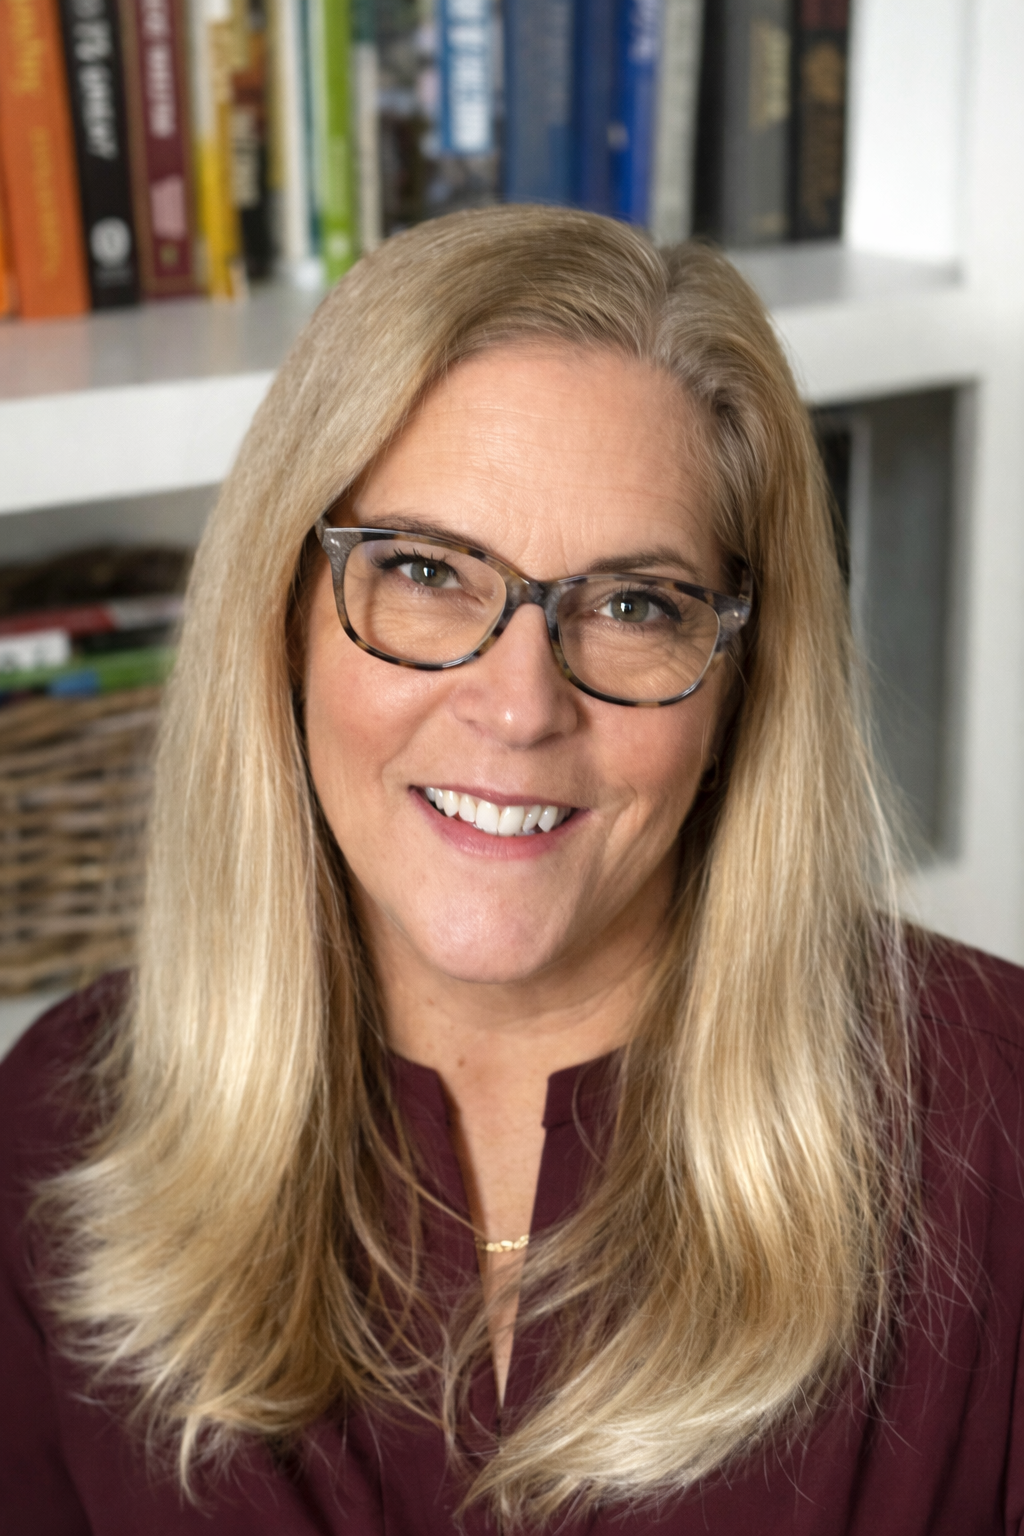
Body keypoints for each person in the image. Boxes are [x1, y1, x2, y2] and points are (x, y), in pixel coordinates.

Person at [1, 205, 1023, 1536]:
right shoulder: (60, 1131)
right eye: (427, 570)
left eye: (636, 604)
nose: (520, 704)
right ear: (282, 618)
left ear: (740, 687)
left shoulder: (996, 1128)